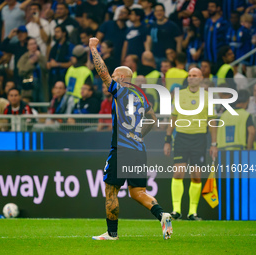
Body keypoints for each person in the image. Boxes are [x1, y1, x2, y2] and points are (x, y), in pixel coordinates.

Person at [89, 37, 173, 241]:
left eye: (115, 75)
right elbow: (153, 120)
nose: (112, 78)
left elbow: (102, 72)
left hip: (121, 149)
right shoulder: (141, 94)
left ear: (121, 77)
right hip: (138, 149)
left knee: (111, 191)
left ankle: (112, 234)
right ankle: (162, 214)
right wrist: (138, 136)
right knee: (138, 192)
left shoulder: (121, 89)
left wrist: (93, 48)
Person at [163, 67, 218, 221]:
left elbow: (212, 122)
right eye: (190, 75)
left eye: (195, 75)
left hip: (199, 138)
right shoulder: (179, 95)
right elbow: (173, 118)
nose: (191, 78)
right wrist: (168, 139)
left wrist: (214, 144)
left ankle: (192, 212)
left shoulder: (208, 97)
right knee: (178, 172)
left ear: (201, 78)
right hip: (181, 137)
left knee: (196, 175)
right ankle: (176, 211)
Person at [148, 3, 183, 70]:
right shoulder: (152, 25)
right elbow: (149, 40)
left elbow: (179, 41)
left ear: (164, 12)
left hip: (168, 59)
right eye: (157, 11)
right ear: (154, 13)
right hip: (155, 57)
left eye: (161, 10)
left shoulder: (172, 25)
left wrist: (177, 58)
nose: (159, 13)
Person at [17, 37, 48, 103]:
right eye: (31, 44)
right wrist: (30, 63)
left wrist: (40, 57)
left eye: (34, 43)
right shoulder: (24, 57)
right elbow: (21, 72)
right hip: (29, 88)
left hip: (42, 86)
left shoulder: (41, 56)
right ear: (27, 46)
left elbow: (47, 68)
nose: (33, 46)